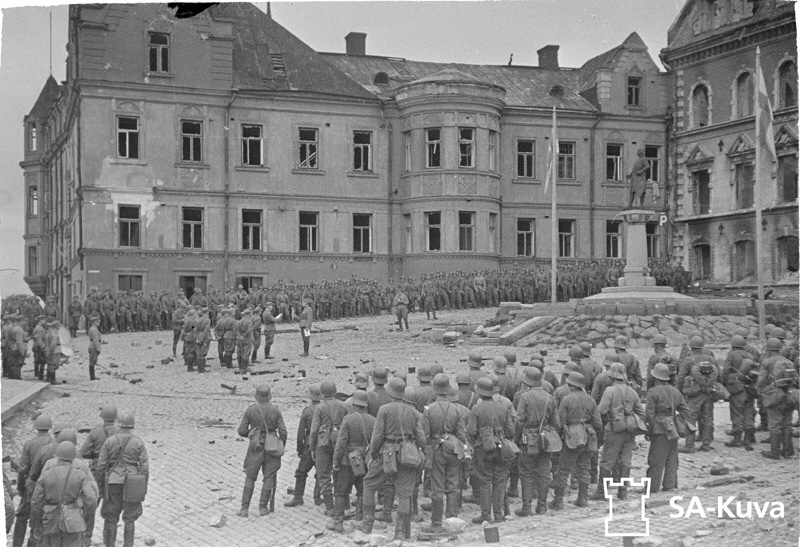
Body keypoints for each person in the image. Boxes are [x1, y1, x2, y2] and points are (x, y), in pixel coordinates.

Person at [359, 378, 426, 540]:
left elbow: (377, 436)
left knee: (369, 483)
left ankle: (367, 523)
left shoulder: (384, 409)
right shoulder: (415, 413)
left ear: (390, 392)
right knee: (404, 493)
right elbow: (422, 439)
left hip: (386, 453)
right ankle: (401, 532)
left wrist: (374, 454)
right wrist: (420, 452)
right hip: (407, 456)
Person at [421, 374, 467, 534]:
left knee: (437, 486)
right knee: (453, 484)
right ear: (448, 389)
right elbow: (462, 434)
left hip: (436, 449)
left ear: (435, 389)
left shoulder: (429, 409)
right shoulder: (456, 409)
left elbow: (425, 434)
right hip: (453, 448)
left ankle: (436, 523)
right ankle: (452, 519)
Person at [592, 363, 644, 501]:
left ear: (612, 376)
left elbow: (601, 410)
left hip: (614, 430)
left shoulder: (610, 391)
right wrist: (631, 420)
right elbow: (641, 413)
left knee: (607, 460)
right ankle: (622, 492)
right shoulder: (632, 391)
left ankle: (601, 492)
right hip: (630, 431)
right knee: (626, 461)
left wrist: (610, 418)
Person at [30, 441, 98, 547]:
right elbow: (91, 500)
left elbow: (35, 502)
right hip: (74, 522)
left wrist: (37, 525)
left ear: (57, 457)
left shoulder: (46, 475)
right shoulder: (80, 475)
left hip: (50, 522)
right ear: (73, 458)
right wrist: (87, 525)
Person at [550, 372, 601, 510]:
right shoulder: (591, 400)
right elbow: (598, 423)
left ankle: (558, 501)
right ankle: (582, 499)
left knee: (563, 469)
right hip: (588, 437)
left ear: (571, 385)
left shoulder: (566, 400)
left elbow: (560, 423)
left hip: (571, 438)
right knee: (584, 467)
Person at [97, 412, 148, 547]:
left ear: (118, 424)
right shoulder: (138, 442)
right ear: (132, 425)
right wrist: (143, 487)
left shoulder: (110, 441)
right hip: (132, 482)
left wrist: (100, 487)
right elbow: (144, 467)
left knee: (111, 517)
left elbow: (101, 466)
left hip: (113, 481)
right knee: (130, 518)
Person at [467, 377, 514, 524]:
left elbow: (471, 431)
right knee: (500, 481)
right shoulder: (503, 406)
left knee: (485, 481)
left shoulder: (476, 408)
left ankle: (486, 515)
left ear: (480, 392)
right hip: (501, 447)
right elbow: (511, 431)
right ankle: (499, 515)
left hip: (484, 449)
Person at [236, 385, 287, 517]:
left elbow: (241, 431)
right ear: (270, 396)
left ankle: (244, 509)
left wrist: (253, 434)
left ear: (256, 396)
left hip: (255, 447)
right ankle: (263, 507)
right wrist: (280, 444)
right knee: (269, 476)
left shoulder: (251, 410)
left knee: (250, 476)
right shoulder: (275, 410)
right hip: (271, 447)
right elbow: (283, 432)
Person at [328, 390, 375, 532]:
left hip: (347, 462)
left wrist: (336, 460)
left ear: (354, 404)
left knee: (341, 492)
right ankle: (359, 519)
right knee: (362, 492)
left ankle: (338, 522)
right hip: (364, 461)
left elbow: (340, 442)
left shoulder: (348, 419)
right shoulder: (373, 420)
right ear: (365, 405)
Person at [514, 368, 559, 516]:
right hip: (545, 439)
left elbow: (519, 420)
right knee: (544, 473)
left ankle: (526, 507)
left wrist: (517, 439)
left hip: (528, 438)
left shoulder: (525, 397)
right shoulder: (550, 398)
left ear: (527, 382)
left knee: (526, 473)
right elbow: (556, 423)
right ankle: (542, 506)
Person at [645, 363, 691, 493]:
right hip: (673, 430)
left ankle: (652, 487)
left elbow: (649, 415)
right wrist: (676, 422)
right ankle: (669, 485)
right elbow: (686, 411)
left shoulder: (653, 392)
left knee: (656, 459)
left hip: (659, 429)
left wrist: (648, 431)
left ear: (656, 377)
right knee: (672, 458)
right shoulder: (675, 391)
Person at [80, 405, 118, 547]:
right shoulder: (120, 432)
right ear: (115, 418)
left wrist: (94, 455)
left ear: (102, 417)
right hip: (115, 472)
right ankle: (109, 542)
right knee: (111, 508)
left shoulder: (95, 432)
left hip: (96, 471)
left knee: (90, 505)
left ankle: (86, 538)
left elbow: (83, 452)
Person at [12, 414, 53, 547]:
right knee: (38, 520)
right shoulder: (54, 445)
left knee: (22, 517)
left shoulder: (29, 444)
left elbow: (22, 469)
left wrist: (21, 488)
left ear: (36, 428)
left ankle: (17, 544)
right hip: (48, 487)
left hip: (31, 487)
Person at [309, 379, 349, 516]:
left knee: (324, 475)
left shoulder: (320, 407)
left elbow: (314, 430)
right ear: (335, 391)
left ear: (322, 393)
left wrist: (312, 447)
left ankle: (330, 507)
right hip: (339, 441)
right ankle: (342, 503)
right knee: (339, 471)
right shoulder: (343, 406)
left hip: (323, 442)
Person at [285, 385, 322, 508]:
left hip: (308, 445)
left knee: (301, 472)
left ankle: (298, 497)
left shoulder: (307, 411)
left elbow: (301, 432)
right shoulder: (325, 409)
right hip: (322, 444)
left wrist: (299, 448)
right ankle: (317, 497)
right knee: (320, 472)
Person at [88, 316, 102, 381]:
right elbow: (95, 340)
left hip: (91, 346)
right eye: (97, 321)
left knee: (92, 361)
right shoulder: (94, 329)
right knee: (93, 361)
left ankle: (92, 376)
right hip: (93, 346)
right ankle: (92, 377)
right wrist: (98, 349)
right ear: (93, 322)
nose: (98, 322)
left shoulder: (93, 328)